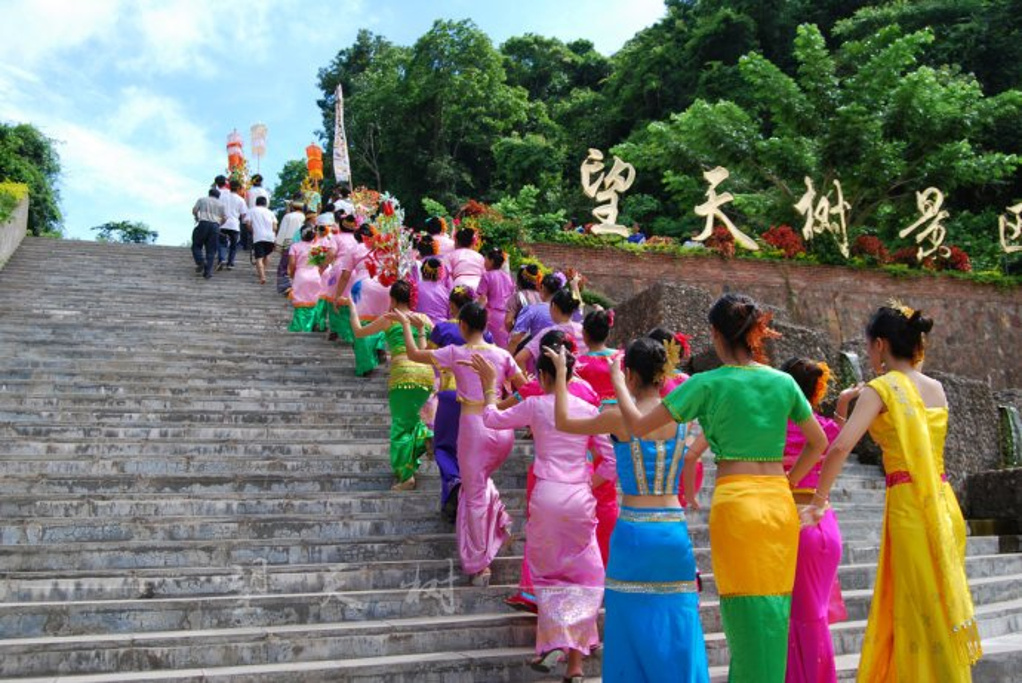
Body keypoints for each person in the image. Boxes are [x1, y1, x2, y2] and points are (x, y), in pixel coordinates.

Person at [612, 293, 829, 683]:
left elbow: (638, 427)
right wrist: (792, 481)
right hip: (778, 504)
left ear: (715, 333)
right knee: (774, 616)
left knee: (745, 619)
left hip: (737, 505)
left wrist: (618, 383)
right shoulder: (782, 382)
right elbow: (819, 443)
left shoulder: (707, 384)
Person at [797, 303, 981, 682]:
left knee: (915, 609)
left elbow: (840, 447)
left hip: (910, 508)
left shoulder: (882, 389)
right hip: (943, 504)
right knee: (939, 606)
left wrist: (819, 500)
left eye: (869, 346)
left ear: (880, 345)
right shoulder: (936, 388)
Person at [551, 337, 709, 683]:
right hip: (673, 528)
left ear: (631, 376)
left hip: (634, 530)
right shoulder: (683, 419)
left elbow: (563, 420)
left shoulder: (617, 419)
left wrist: (562, 373)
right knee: (677, 619)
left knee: (629, 621)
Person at [468, 331, 613, 682]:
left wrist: (490, 386)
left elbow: (490, 418)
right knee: (585, 574)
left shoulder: (535, 405)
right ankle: (575, 665)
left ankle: (552, 645)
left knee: (549, 574)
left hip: (546, 495)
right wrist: (585, 486)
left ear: (545, 376)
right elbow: (609, 465)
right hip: (578, 497)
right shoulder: (590, 409)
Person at [395, 302, 526, 585]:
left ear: (463, 326)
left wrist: (407, 325)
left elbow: (413, 354)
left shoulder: (456, 352)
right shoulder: (502, 355)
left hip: (474, 429)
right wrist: (501, 404)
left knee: (476, 492)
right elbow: (526, 388)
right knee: (476, 484)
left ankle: (481, 564)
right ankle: (496, 526)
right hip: (501, 428)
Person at [498, 330, 601, 615]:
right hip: (582, 475)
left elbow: (497, 413)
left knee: (541, 537)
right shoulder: (588, 392)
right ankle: (577, 610)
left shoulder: (535, 392)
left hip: (546, 478)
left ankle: (534, 592)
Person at [778, 358, 847, 683]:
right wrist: (844, 403)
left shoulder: (776, 427)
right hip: (826, 525)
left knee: (798, 620)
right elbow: (839, 437)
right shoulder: (828, 428)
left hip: (795, 522)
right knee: (813, 617)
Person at [410, 285, 492, 520]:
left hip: (449, 393)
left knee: (444, 447)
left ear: (453, 306)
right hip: (478, 399)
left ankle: (454, 482)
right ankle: (457, 499)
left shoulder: (443, 329)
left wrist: (415, 330)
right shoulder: (486, 335)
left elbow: (425, 355)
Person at [342, 280, 433, 491]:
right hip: (426, 374)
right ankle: (425, 436)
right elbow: (429, 348)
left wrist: (352, 307)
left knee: (401, 426)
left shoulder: (389, 319)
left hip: (403, 375)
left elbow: (358, 332)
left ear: (391, 298)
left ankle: (406, 477)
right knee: (414, 419)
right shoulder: (424, 319)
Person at [572, 309, 620, 565]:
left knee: (593, 487)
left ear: (585, 334)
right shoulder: (620, 360)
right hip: (620, 428)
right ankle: (608, 554)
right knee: (608, 493)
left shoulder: (579, 364)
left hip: (590, 430)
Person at [332, 225, 386, 376]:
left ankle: (366, 365)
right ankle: (379, 343)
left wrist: (337, 296)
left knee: (361, 324)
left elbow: (345, 275)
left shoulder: (355, 249)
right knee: (382, 320)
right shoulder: (386, 247)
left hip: (363, 286)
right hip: (386, 286)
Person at [515, 286, 587, 373]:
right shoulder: (584, 331)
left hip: (550, 383)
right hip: (578, 383)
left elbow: (519, 359)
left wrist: (527, 385)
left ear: (553, 306)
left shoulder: (548, 333)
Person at [286, 228, 324, 332]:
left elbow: (292, 264)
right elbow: (320, 264)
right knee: (313, 301)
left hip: (301, 275)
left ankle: (299, 326)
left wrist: (293, 274)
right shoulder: (317, 247)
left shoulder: (295, 246)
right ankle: (311, 325)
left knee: (300, 302)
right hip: (314, 275)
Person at [476, 248, 515, 349]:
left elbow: (482, 298)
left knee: (489, 347)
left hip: (491, 316)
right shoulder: (508, 277)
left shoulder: (487, 276)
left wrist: (475, 313)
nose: (484, 262)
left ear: (491, 261)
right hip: (506, 316)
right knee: (502, 348)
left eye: (486, 260)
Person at [504, 264, 544, 342]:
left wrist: (515, 331)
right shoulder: (542, 296)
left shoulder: (517, 297)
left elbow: (508, 322)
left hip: (520, 340)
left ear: (520, 280)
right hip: (539, 339)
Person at [191, 188, 225, 279]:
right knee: (211, 250)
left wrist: (197, 218)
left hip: (203, 223)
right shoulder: (221, 204)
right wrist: (219, 224)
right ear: (218, 196)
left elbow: (194, 210)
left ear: (209, 193)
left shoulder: (202, 200)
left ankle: (200, 261)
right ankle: (207, 272)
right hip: (215, 226)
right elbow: (225, 217)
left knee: (196, 245)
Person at [218, 179, 248, 270]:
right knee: (233, 246)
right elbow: (244, 214)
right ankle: (230, 263)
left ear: (229, 187)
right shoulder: (241, 200)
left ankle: (222, 259)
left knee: (222, 243)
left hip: (223, 224)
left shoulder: (222, 198)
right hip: (234, 225)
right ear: (239, 188)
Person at [248, 196, 277, 285]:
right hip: (270, 237)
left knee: (259, 257)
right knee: (267, 255)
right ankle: (263, 271)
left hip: (259, 236)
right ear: (266, 204)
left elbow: (248, 223)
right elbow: (275, 226)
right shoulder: (270, 212)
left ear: (256, 203)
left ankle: (262, 277)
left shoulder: (252, 210)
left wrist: (253, 231)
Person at [415, 257, 451, 326]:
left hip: (420, 327)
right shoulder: (446, 292)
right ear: (440, 273)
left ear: (422, 271)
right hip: (441, 328)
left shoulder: (415, 287)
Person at [243, 174, 270, 251]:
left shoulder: (249, 192)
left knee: (250, 230)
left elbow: (246, 203)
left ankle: (249, 246)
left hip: (251, 212)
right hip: (263, 213)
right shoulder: (264, 192)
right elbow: (267, 203)